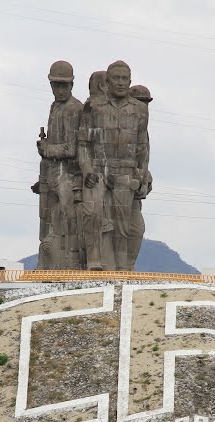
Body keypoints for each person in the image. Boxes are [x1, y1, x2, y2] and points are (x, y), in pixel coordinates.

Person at [77, 60, 149, 271]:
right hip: (97, 170)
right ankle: (94, 260)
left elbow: (143, 148)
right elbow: (82, 144)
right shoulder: (93, 107)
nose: (120, 83)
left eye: (124, 79)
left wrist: (141, 176)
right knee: (92, 211)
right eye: (115, 78)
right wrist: (87, 170)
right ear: (107, 82)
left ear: (129, 81)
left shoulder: (140, 110)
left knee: (123, 224)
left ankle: (123, 269)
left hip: (125, 172)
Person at [34, 60, 83, 269]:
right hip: (50, 171)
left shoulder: (75, 108)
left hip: (69, 173)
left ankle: (69, 261)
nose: (60, 89)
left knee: (66, 213)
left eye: (64, 85)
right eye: (56, 85)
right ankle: (48, 262)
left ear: (72, 85)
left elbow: (72, 149)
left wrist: (48, 150)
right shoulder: (54, 107)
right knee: (45, 221)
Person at [126, 85, 154, 270]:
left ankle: (127, 268)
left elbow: (143, 161)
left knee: (136, 230)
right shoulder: (126, 128)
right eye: (140, 103)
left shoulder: (144, 132)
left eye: (146, 104)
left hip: (135, 194)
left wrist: (147, 176)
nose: (143, 108)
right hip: (120, 187)